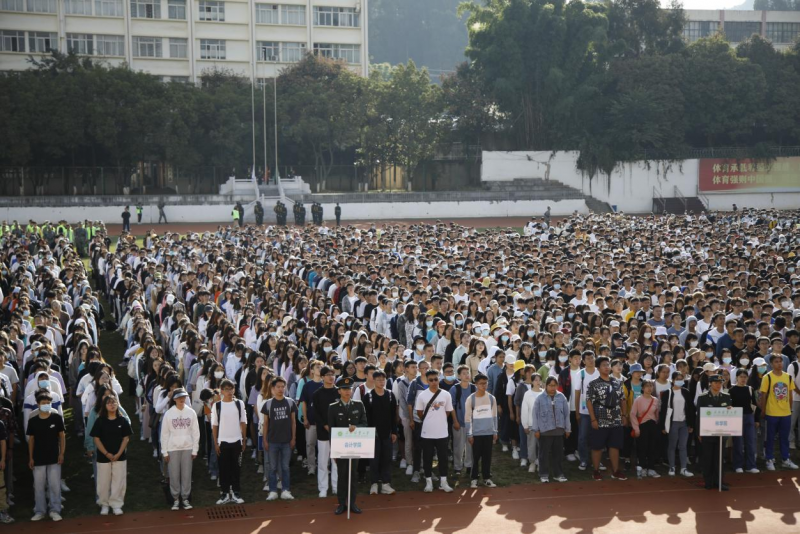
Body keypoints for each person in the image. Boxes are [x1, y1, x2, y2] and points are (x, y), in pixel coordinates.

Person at [328, 376, 368, 515]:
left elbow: (364, 423)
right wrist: (333, 450)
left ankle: (352, 503)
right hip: (340, 447)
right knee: (342, 475)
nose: (347, 391)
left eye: (349, 389)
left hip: (355, 446)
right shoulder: (333, 407)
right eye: (344, 389)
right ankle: (341, 504)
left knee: (353, 475)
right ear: (339, 391)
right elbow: (332, 430)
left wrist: (356, 427)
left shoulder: (358, 405)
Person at [585, 356, 628, 482]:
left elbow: (623, 399)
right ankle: (596, 471)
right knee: (597, 446)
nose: (607, 367)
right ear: (598, 368)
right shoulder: (593, 384)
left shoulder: (618, 382)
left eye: (608, 364)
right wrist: (593, 419)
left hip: (616, 419)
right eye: (604, 365)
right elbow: (589, 402)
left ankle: (615, 471)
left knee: (615, 445)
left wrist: (624, 415)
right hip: (600, 419)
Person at [26, 391, 65, 522]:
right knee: (39, 486)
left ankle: (55, 510)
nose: (46, 405)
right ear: (38, 404)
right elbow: (31, 440)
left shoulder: (56, 418)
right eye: (44, 403)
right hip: (38, 458)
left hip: (54, 457)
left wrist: (61, 453)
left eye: (48, 403)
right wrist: (31, 457)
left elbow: (62, 436)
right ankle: (40, 511)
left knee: (55, 485)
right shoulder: (33, 420)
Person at [91, 394, 132, 515]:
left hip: (120, 457)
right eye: (109, 403)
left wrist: (119, 453)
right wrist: (106, 453)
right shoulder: (100, 421)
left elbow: (126, 438)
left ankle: (116, 504)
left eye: (114, 402)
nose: (112, 405)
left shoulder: (123, 420)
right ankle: (104, 504)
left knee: (118, 481)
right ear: (105, 406)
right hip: (103, 457)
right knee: (103, 482)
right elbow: (96, 439)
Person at [160, 388, 200, 511]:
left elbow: (196, 432)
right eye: (179, 397)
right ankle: (175, 499)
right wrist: (165, 452)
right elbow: (164, 434)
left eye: (183, 397)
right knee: (174, 474)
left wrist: (195, 449)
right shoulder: (169, 413)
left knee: (187, 475)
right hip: (173, 448)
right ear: (174, 399)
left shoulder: (191, 412)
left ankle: (185, 498)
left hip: (188, 448)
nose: (181, 399)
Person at [211, 379, 247, 505]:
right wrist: (216, 443)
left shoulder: (239, 404)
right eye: (226, 389)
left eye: (231, 389)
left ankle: (236, 492)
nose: (229, 391)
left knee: (236, 468)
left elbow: (243, 422)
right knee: (223, 469)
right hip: (223, 442)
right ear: (221, 391)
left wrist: (244, 439)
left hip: (237, 441)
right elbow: (214, 425)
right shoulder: (217, 406)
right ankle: (225, 493)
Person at [759, 354, 798, 470]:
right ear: (771, 364)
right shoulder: (767, 377)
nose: (779, 364)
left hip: (785, 413)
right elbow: (763, 395)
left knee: (784, 437)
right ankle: (769, 459)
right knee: (770, 437)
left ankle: (785, 459)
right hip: (772, 413)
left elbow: (790, 395)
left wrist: (789, 409)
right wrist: (763, 410)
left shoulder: (788, 377)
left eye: (780, 361)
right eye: (776, 362)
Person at [262, 376, 297, 501]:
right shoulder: (268, 404)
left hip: (287, 441)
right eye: (278, 387)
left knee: (285, 467)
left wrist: (293, 438)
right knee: (272, 467)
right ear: (273, 388)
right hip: (272, 441)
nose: (281, 389)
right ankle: (272, 491)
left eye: (283, 386)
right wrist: (265, 440)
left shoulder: (290, 402)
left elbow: (293, 422)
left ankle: (285, 490)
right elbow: (265, 423)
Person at [363, 370, 397, 495]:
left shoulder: (390, 395)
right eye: (378, 380)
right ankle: (374, 483)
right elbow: (365, 416)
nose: (381, 382)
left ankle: (386, 483)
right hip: (373, 433)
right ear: (374, 380)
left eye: (383, 380)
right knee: (374, 459)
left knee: (386, 458)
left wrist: (394, 431)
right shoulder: (368, 396)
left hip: (387, 432)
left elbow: (393, 415)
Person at [696, 374, 733, 490]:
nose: (718, 385)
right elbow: (699, 416)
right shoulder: (703, 397)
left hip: (721, 432)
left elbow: (729, 414)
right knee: (707, 458)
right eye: (716, 382)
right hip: (707, 432)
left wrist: (731, 411)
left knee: (719, 458)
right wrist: (699, 432)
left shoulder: (726, 397)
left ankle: (718, 481)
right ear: (710, 383)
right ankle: (708, 481)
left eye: (720, 382)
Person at [531, 377, 570, 483]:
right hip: (545, 431)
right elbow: (535, 415)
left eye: (554, 385)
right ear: (545, 386)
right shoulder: (539, 398)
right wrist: (536, 430)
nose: (552, 388)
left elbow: (566, 414)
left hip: (559, 430)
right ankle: (543, 474)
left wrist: (568, 429)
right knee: (543, 454)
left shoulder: (562, 397)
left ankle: (558, 474)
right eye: (550, 385)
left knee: (558, 454)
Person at [464, 373, 498, 488]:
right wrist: (469, 434)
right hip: (476, 434)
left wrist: (495, 431)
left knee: (487, 457)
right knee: (475, 457)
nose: (484, 385)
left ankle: (486, 478)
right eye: (481, 383)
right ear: (476, 384)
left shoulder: (491, 398)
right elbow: (468, 418)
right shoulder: (471, 399)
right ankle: (474, 478)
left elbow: (494, 416)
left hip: (488, 433)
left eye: (485, 383)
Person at [658, 371, 695, 477]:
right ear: (673, 380)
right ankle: (672, 467)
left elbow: (691, 409)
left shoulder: (686, 392)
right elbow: (663, 410)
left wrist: (691, 424)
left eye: (681, 379)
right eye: (677, 379)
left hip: (684, 423)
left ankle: (683, 468)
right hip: (672, 423)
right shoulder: (667, 393)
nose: (680, 381)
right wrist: (663, 426)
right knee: (672, 446)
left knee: (683, 446)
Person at [730, 369, 759, 474]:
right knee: (738, 442)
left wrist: (756, 419)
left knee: (750, 442)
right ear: (737, 378)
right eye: (741, 377)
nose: (743, 379)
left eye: (745, 377)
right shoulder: (732, 390)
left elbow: (754, 404)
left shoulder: (750, 389)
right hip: (736, 417)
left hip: (749, 417)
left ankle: (751, 465)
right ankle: (738, 465)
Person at [630, 379, 661, 478]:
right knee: (642, 448)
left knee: (652, 447)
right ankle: (642, 468)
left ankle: (651, 469)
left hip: (653, 425)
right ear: (643, 388)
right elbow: (633, 414)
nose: (649, 388)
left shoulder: (655, 400)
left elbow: (657, 414)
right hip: (642, 426)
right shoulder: (638, 400)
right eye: (647, 386)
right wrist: (636, 428)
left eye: (651, 386)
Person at [450, 365, 476, 476]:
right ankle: (457, 467)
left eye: (468, 372)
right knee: (458, 446)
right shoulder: (454, 389)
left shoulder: (474, 388)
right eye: (464, 373)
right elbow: (451, 406)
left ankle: (469, 466)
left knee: (470, 446)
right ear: (459, 376)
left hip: (471, 423)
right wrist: (455, 421)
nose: (466, 375)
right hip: (459, 422)